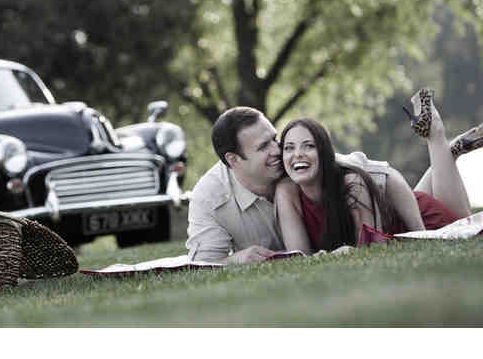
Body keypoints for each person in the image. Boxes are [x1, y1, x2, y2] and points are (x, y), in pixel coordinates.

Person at [275, 89, 482, 254]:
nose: (297, 154)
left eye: (308, 146)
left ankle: (438, 137)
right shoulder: (287, 190)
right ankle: (450, 150)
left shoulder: (351, 182)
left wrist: (421, 231)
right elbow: (301, 255)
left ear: (325, 153)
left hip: (421, 220)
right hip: (400, 211)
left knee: (464, 224)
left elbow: (370, 248)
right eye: (289, 148)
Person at [185, 106, 395, 264]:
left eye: (274, 139)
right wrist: (236, 259)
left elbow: (371, 173)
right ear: (233, 160)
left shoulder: (295, 163)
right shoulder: (210, 197)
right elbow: (202, 266)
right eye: (263, 147)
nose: (278, 150)